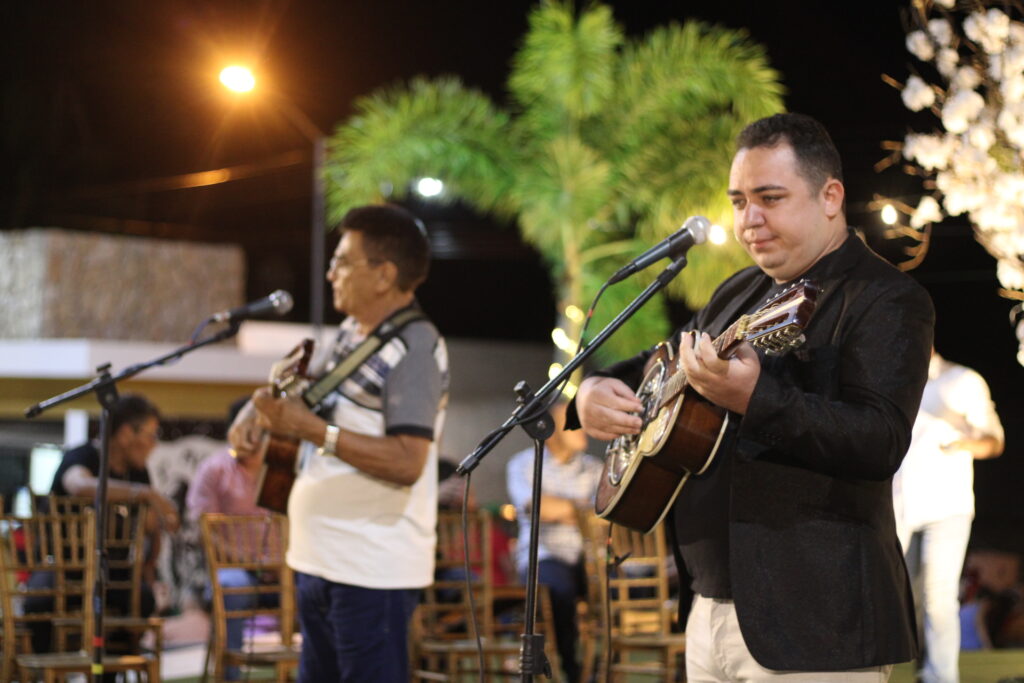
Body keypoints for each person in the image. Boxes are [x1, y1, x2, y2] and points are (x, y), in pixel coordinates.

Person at [573, 112, 935, 681]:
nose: (750, 220)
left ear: (830, 196)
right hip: (708, 606)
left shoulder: (886, 298)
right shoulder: (740, 289)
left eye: (769, 197)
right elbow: (662, 361)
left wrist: (756, 399)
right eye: (739, 201)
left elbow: (879, 441)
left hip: (816, 621)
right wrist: (590, 390)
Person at [229, 203, 449, 682]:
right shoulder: (350, 333)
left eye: (343, 261)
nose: (330, 273)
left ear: (384, 275)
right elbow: (308, 395)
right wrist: (257, 410)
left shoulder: (415, 349)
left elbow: (409, 461)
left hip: (371, 570)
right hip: (321, 559)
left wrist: (308, 429)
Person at [27, 393, 179, 655]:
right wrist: (144, 494)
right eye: (151, 435)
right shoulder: (84, 455)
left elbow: (153, 526)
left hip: (114, 574)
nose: (154, 445)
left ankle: (110, 674)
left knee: (142, 598)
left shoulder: (138, 472)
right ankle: (48, 672)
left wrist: (150, 564)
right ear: (125, 433)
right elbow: (78, 485)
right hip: (64, 568)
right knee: (39, 601)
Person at [893, 349, 1004, 683]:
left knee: (938, 596)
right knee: (907, 597)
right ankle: (924, 670)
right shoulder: (891, 380)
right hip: (901, 507)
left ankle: (941, 677)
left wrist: (963, 443)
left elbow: (994, 442)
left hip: (948, 506)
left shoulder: (962, 380)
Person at [506, 401, 602, 683]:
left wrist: (562, 509)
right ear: (551, 430)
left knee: (617, 587)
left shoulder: (594, 468)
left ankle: (604, 663)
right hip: (543, 556)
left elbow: (605, 514)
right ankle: (570, 668)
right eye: (573, 422)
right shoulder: (524, 463)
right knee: (559, 589)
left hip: (587, 555)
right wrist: (582, 510)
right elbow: (535, 507)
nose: (582, 428)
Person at [187, 396, 278, 680]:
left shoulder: (278, 468)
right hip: (233, 569)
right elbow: (204, 528)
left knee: (315, 588)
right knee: (232, 587)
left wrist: (277, 564)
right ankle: (231, 674)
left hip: (278, 570)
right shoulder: (214, 470)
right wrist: (247, 560)